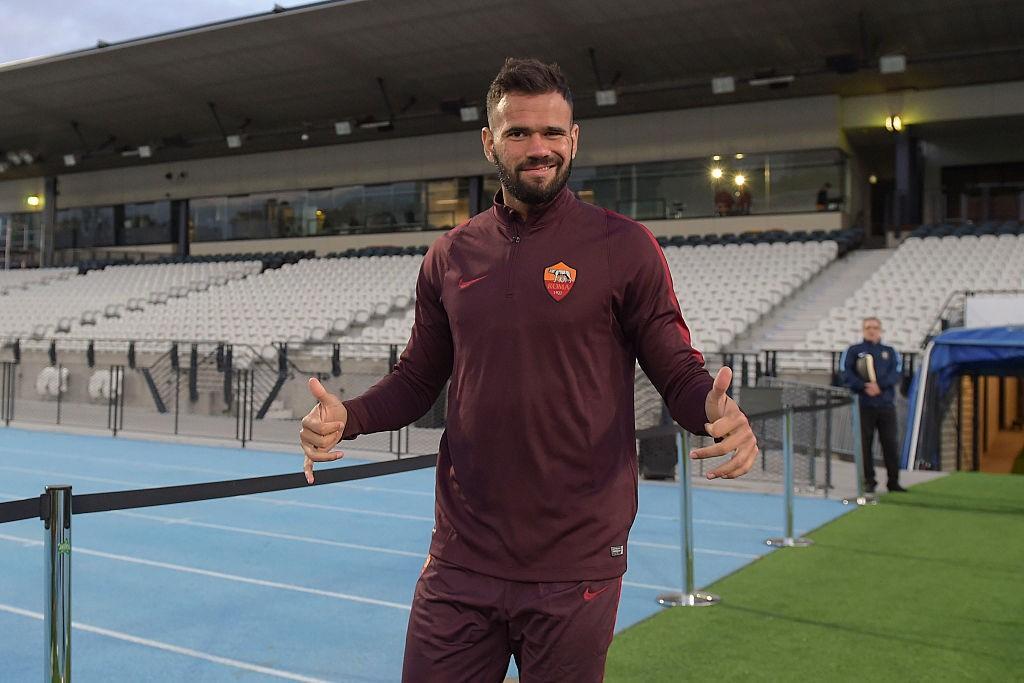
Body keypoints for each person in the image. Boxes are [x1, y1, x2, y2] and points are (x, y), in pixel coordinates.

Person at [299, 57, 759, 682]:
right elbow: (417, 380)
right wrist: (347, 417)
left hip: (576, 560)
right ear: (489, 142)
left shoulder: (623, 246)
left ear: (574, 139)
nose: (536, 147)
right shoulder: (450, 256)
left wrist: (711, 408)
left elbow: (675, 367)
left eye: (551, 132)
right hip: (463, 555)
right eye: (518, 133)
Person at [841, 317, 906, 493]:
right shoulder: (854, 351)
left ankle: (894, 481)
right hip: (863, 405)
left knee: (890, 444)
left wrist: (880, 386)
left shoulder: (890, 351)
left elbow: (897, 373)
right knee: (864, 445)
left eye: (875, 327)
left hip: (886, 406)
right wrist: (864, 386)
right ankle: (869, 481)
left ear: (880, 330)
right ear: (863, 329)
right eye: (868, 327)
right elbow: (846, 374)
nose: (872, 330)